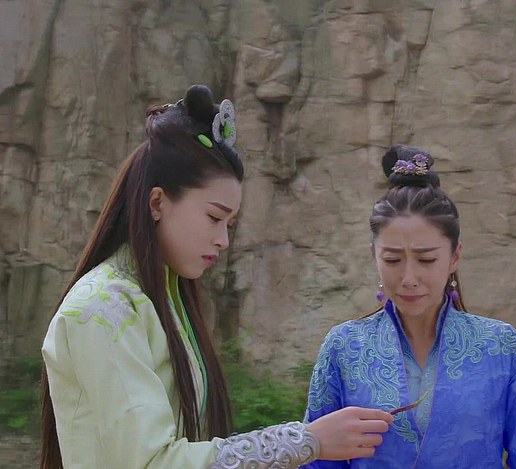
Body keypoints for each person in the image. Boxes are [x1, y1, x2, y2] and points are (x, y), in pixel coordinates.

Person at [40, 84, 393, 469]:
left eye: (230, 224)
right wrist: (304, 441)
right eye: (213, 217)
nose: (223, 240)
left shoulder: (161, 300)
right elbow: (151, 462)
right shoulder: (100, 310)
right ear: (157, 202)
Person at [302, 145, 516, 468]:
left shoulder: (500, 346)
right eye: (392, 260)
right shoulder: (343, 348)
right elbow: (316, 459)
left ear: (454, 257)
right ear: (374, 256)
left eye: (426, 260)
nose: (409, 278)